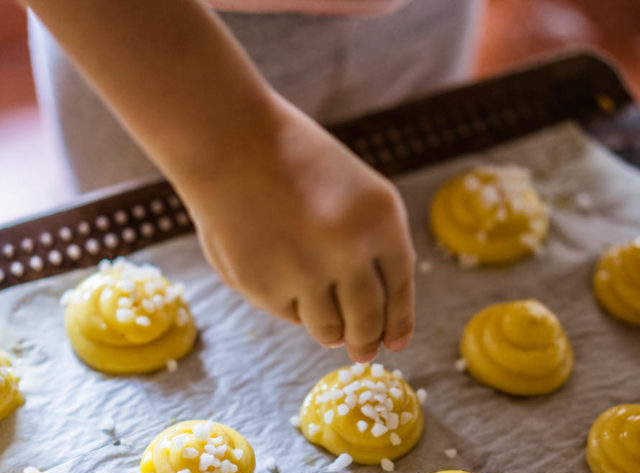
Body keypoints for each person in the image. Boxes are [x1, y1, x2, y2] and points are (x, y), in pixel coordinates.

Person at [24, 0, 481, 362]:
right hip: (151, 47)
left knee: (401, 222)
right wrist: (226, 149)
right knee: (150, 268)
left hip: (422, 21)